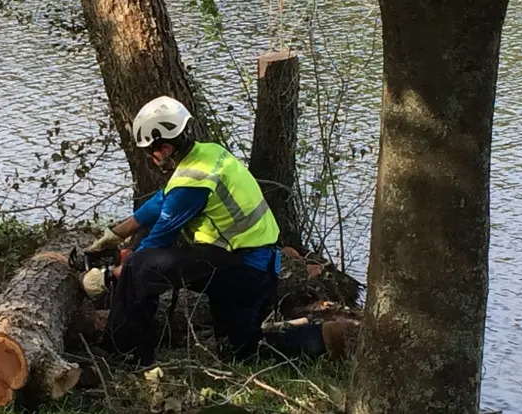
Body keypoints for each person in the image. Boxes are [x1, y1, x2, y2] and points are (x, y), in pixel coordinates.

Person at [78, 95, 350, 367]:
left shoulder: (192, 185)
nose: (151, 158)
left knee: (140, 266)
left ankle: (123, 354)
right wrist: (115, 234)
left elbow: (157, 241)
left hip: (243, 270)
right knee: (237, 349)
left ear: (167, 146)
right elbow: (163, 198)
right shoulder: (206, 154)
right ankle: (326, 337)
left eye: (152, 151)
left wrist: (107, 277)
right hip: (253, 264)